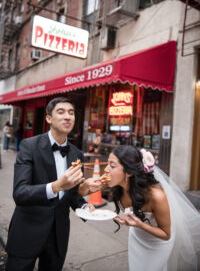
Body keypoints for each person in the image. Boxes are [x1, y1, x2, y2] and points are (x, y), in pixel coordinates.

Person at [5, 97, 102, 271]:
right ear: (49, 118)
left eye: (71, 113)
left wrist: (84, 204)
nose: (67, 117)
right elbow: (20, 193)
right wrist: (56, 186)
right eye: (61, 112)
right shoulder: (29, 146)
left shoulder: (77, 154)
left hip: (58, 234)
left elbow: (71, 194)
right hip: (28, 230)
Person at [104, 146, 200, 271]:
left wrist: (141, 225)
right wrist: (87, 193)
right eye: (107, 164)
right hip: (137, 236)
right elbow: (82, 191)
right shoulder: (118, 185)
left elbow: (166, 234)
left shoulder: (156, 196)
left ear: (129, 172)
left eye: (112, 166)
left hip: (158, 242)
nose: (105, 170)